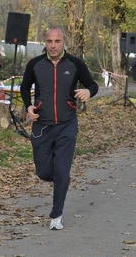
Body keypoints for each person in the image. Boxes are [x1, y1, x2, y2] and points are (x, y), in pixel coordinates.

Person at [20, 27, 98, 230]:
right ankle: (60, 178)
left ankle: (57, 215)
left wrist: (88, 91)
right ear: (45, 43)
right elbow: (24, 87)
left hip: (67, 125)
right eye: (49, 41)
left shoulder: (75, 64)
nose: (53, 45)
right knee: (44, 172)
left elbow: (93, 84)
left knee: (62, 172)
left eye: (57, 41)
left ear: (64, 42)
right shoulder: (35, 64)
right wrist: (28, 106)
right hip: (42, 125)